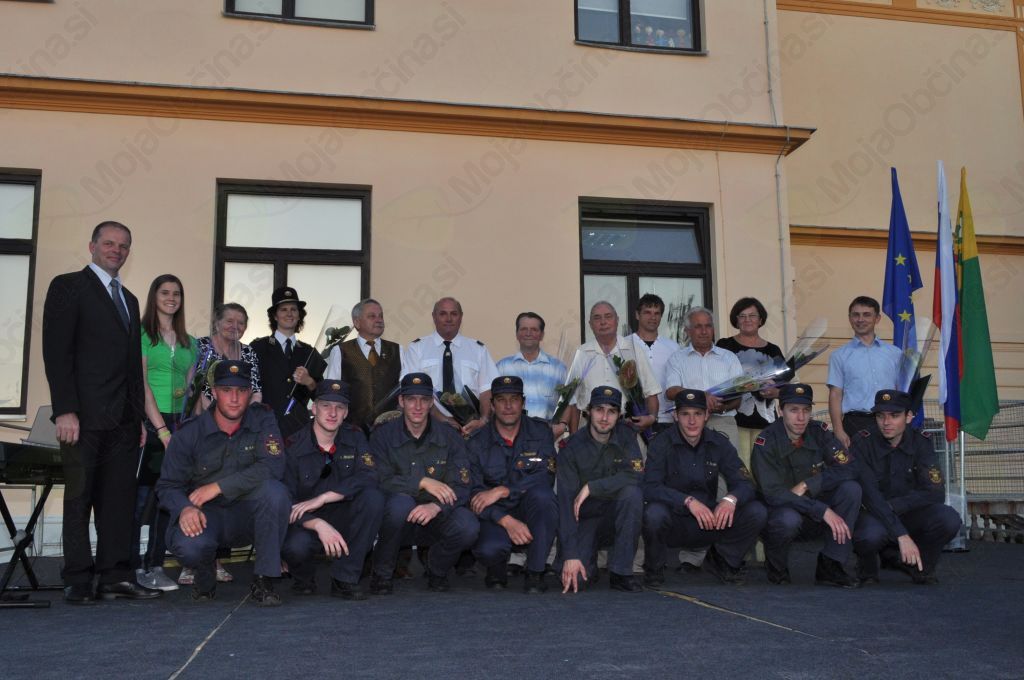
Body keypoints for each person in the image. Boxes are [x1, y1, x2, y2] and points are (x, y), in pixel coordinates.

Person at [42, 220, 160, 604]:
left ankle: (115, 577)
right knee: (79, 498)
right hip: (83, 419)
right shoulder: (67, 286)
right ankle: (78, 578)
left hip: (124, 422)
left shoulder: (129, 299)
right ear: (92, 246)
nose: (116, 250)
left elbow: (132, 368)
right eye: (109, 243)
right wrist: (65, 410)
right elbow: (57, 353)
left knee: (119, 502)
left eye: (123, 246)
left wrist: (138, 419)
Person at [157, 360, 290, 605]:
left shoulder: (262, 419)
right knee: (190, 547)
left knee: (276, 493)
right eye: (227, 390)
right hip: (206, 515)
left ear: (250, 393)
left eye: (241, 390)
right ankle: (204, 573)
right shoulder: (190, 432)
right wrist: (184, 509)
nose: (235, 398)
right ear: (215, 392)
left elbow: (273, 466)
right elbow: (167, 485)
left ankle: (264, 579)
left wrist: (218, 487)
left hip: (247, 513)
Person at [368, 373, 480, 593]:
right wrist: (420, 481)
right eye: (411, 399)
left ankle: (437, 570)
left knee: (468, 526)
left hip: (436, 513)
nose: (418, 406)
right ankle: (382, 573)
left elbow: (462, 484)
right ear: (401, 401)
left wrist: (437, 506)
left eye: (424, 399)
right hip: (396, 517)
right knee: (399, 505)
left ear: (431, 403)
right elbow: (378, 478)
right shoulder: (382, 436)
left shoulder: (449, 436)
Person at [642, 389, 767, 586]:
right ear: (675, 416)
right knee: (653, 513)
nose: (692, 421)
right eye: (685, 414)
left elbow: (745, 483)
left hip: (710, 520)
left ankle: (724, 559)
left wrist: (730, 500)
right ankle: (654, 568)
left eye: (698, 414)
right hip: (674, 521)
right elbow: (650, 487)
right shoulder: (660, 443)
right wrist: (687, 501)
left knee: (756, 511)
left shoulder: (719, 443)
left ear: (707, 415)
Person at [281, 380, 385, 600]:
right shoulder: (293, 445)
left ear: (346, 413)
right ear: (314, 408)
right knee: (296, 546)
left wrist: (325, 498)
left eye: (339, 407)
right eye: (326, 405)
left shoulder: (355, 436)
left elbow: (370, 475)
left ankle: (345, 578)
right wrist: (318, 524)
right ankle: (303, 578)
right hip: (306, 521)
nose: (332, 413)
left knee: (373, 498)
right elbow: (286, 500)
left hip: (343, 514)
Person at [751, 383, 861, 587]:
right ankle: (777, 566)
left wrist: (808, 484)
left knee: (851, 489)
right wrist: (821, 510)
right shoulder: (766, 441)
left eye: (806, 410)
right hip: (782, 510)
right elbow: (773, 493)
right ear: (780, 411)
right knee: (788, 519)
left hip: (813, 507)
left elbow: (850, 467)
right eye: (794, 410)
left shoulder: (819, 432)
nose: (801, 418)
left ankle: (832, 563)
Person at [852, 389, 961, 585]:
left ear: (909, 417)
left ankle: (921, 567)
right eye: (880, 416)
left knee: (949, 519)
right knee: (870, 535)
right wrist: (901, 534)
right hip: (874, 513)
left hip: (908, 512)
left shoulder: (921, 442)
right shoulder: (862, 443)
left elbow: (935, 492)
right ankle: (867, 569)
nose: (886, 422)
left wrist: (896, 506)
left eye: (894, 416)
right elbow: (870, 496)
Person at [133, 274, 198, 592]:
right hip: (150, 423)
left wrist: (187, 429)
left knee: (166, 497)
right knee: (140, 499)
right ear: (154, 296)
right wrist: (160, 429)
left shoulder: (190, 342)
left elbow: (190, 388)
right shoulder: (142, 335)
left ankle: (156, 566)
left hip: (179, 425)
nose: (171, 298)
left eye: (177, 293)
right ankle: (132, 568)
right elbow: (141, 383)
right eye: (165, 292)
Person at [467, 376, 558, 593]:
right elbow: (473, 492)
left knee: (545, 498)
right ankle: (496, 568)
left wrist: (505, 490)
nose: (508, 406)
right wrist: (505, 520)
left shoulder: (540, 432)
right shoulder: (477, 441)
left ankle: (535, 572)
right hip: (495, 513)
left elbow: (546, 475)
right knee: (490, 549)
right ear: (492, 405)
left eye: (514, 399)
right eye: (501, 400)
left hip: (528, 505)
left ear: (523, 402)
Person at [558, 386, 645, 594]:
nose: (604, 418)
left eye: (611, 411)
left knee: (632, 495)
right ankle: (589, 563)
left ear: (619, 415)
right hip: (584, 520)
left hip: (614, 517)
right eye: (599, 410)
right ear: (588, 412)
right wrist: (571, 554)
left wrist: (592, 487)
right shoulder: (571, 447)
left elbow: (636, 475)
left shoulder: (627, 437)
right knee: (578, 581)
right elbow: (566, 502)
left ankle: (621, 572)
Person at [561, 301, 660, 436]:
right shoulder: (582, 353)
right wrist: (574, 437)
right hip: (588, 429)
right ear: (590, 324)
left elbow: (651, 391)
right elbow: (572, 401)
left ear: (617, 320)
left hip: (626, 427)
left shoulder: (633, 350)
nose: (603, 322)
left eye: (608, 316)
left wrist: (652, 418)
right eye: (597, 318)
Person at [405, 297, 498, 437]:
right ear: (434, 317)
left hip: (471, 428)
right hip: (429, 427)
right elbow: (413, 391)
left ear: (461, 317)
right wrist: (443, 419)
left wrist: (483, 420)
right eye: (443, 314)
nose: (448, 319)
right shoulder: (417, 349)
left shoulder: (478, 349)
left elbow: (487, 390)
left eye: (454, 314)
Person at [715, 297, 785, 465]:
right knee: (739, 467)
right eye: (742, 316)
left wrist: (776, 392)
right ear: (736, 320)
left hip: (766, 422)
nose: (747, 320)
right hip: (733, 420)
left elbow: (787, 386)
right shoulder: (724, 346)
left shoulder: (773, 350)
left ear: (760, 320)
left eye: (752, 315)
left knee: (764, 468)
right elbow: (715, 379)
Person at [251, 287, 327, 437]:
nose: (289, 313)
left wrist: (309, 381)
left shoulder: (309, 352)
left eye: (294, 309)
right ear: (275, 316)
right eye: (283, 309)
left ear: (299, 315)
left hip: (298, 429)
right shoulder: (258, 348)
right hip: (265, 426)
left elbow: (321, 397)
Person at [827, 296, 901, 448]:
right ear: (850, 318)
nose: (860, 319)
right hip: (855, 424)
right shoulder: (839, 356)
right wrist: (838, 430)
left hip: (889, 423)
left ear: (877, 318)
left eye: (867, 314)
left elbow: (901, 390)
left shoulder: (895, 353)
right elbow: (835, 395)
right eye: (856, 315)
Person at [663, 306, 744, 445]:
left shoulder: (729, 357)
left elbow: (738, 398)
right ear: (688, 331)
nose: (704, 331)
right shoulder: (677, 358)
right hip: (689, 422)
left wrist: (723, 408)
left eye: (708, 326)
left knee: (727, 459)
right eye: (698, 327)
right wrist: (701, 396)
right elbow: (671, 391)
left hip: (722, 421)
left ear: (713, 329)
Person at [324, 298, 404, 431]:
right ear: (357, 322)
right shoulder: (340, 351)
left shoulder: (397, 350)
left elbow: (405, 391)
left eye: (381, 316)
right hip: (352, 430)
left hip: (390, 430)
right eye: (372, 316)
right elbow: (333, 393)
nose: (379, 320)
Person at [496, 312, 568, 432]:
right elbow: (493, 403)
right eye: (524, 329)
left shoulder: (558, 368)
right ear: (517, 334)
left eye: (534, 329)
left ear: (542, 335)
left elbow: (568, 402)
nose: (528, 333)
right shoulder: (502, 367)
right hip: (510, 436)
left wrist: (562, 426)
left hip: (547, 435)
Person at [194, 302, 263, 408]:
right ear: (217, 323)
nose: (235, 326)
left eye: (241, 323)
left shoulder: (248, 351)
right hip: (205, 414)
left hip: (241, 415)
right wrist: (213, 414)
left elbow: (256, 391)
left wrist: (248, 414)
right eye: (229, 321)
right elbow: (193, 386)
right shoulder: (200, 346)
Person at [629, 294, 680, 435]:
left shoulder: (674, 348)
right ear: (637, 315)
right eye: (647, 312)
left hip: (667, 419)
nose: (653, 317)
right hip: (634, 419)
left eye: (657, 313)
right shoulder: (624, 345)